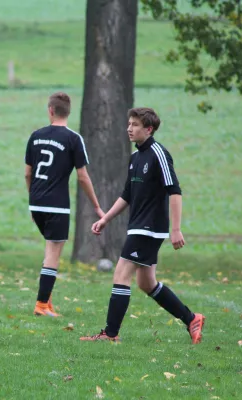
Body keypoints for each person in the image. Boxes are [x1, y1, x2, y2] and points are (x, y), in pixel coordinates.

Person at [80, 107, 205, 344]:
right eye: (129, 123)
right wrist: (105, 219)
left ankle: (110, 334)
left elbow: (174, 191)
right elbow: (127, 195)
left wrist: (176, 229)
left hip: (149, 228)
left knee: (121, 274)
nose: (129, 128)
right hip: (138, 225)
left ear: (149, 129)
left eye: (135, 125)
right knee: (146, 283)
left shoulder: (159, 154)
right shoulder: (136, 158)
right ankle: (191, 319)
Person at [24, 92, 104, 317]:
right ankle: (41, 305)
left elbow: (27, 174)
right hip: (57, 206)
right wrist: (97, 207)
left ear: (50, 110)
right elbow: (82, 177)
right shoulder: (73, 139)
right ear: (68, 112)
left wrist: (33, 202)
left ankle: (47, 301)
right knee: (53, 253)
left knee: (49, 250)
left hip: (37, 203)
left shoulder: (35, 136)